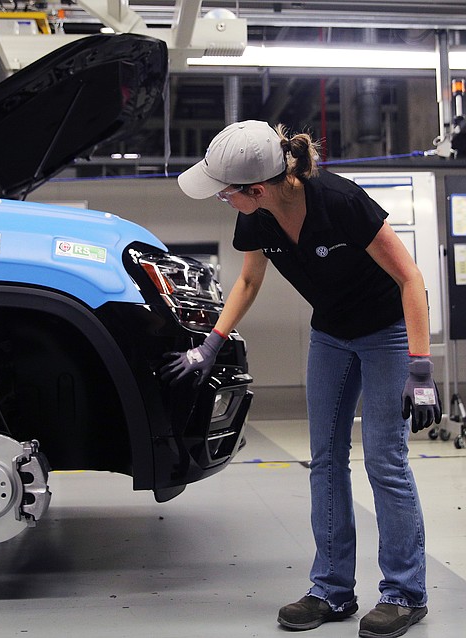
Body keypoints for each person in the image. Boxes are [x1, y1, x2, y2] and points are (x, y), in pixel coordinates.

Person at [162, 120, 441, 638]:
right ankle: (332, 590)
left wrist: (421, 367)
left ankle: (405, 593)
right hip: (331, 335)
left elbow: (410, 278)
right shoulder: (258, 219)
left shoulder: (340, 201)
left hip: (387, 333)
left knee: (385, 460)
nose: (224, 201)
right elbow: (248, 279)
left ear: (258, 189)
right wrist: (211, 343)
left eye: (227, 195)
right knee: (325, 461)